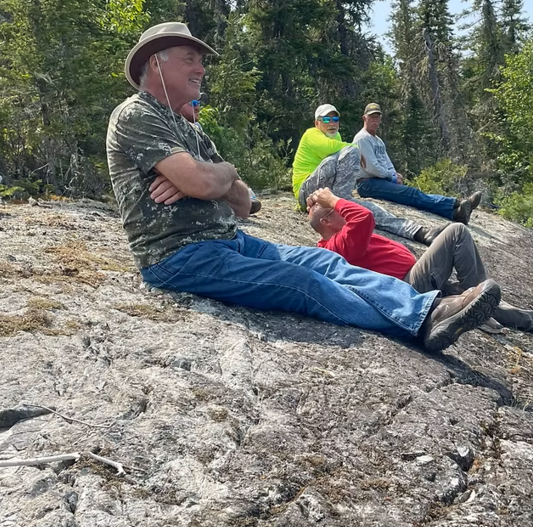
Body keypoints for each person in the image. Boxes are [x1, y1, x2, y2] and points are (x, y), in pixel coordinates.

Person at [105, 21, 502, 352]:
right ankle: (421, 321)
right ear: (155, 62)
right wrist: (202, 180)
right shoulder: (135, 114)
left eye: (201, 61)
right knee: (301, 282)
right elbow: (203, 181)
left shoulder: (189, 127)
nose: (201, 69)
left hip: (231, 241)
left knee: (326, 263)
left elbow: (243, 202)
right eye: (190, 58)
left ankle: (427, 307)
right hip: (180, 257)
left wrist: (213, 177)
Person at [308, 188, 533, 341]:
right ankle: (477, 305)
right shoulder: (336, 245)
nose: (344, 210)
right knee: (456, 232)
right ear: (327, 221)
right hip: (408, 286)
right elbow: (364, 216)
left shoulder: (340, 240)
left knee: (467, 293)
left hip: (413, 280)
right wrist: (332, 200)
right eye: (337, 211)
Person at [292, 104, 444, 245]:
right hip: (307, 193)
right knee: (348, 152)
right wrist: (355, 150)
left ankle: (419, 233)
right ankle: (342, 198)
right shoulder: (311, 134)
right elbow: (330, 148)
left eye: (335, 119)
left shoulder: (337, 137)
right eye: (326, 119)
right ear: (317, 123)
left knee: (371, 210)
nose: (332, 123)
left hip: (327, 195)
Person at [353, 103, 482, 224]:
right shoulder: (362, 138)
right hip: (368, 184)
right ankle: (456, 202)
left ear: (380, 119)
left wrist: (394, 174)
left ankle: (455, 214)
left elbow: (387, 162)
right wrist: (392, 177)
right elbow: (371, 167)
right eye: (371, 117)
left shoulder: (378, 141)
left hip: (380, 181)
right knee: (412, 194)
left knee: (412, 196)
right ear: (364, 118)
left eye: (377, 117)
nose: (374, 120)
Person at [180, 100, 261, 215]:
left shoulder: (197, 131)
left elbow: (217, 164)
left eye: (198, 102)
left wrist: (228, 172)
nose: (197, 107)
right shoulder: (161, 127)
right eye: (192, 102)